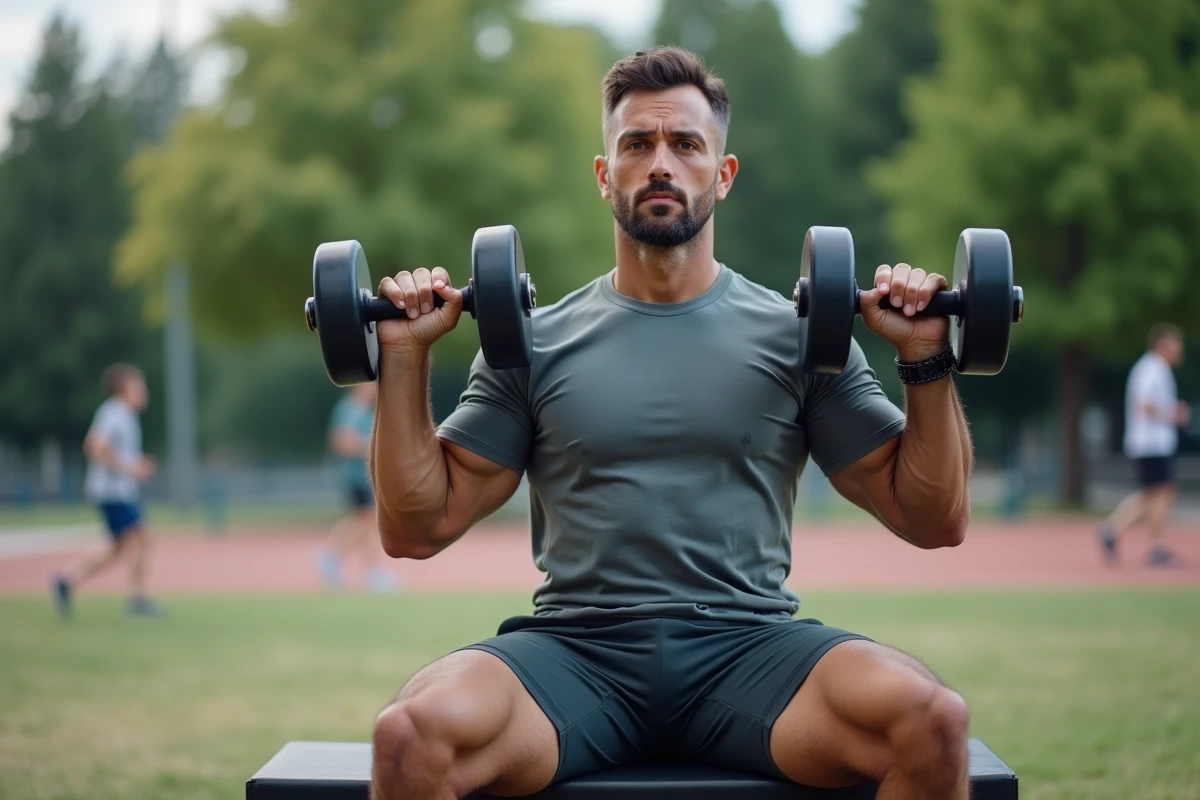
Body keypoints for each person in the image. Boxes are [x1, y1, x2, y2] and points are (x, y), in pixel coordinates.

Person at [368, 48, 974, 799]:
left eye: (686, 144)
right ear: (604, 175)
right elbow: (416, 527)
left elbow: (932, 517)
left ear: (723, 174)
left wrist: (925, 356)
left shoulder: (801, 338)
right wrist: (403, 358)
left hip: (750, 649)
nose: (661, 163)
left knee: (931, 722)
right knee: (411, 736)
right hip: (576, 654)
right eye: (637, 144)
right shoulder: (530, 345)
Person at [52, 363, 165, 618]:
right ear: (123, 388)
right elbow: (95, 446)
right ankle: (137, 600)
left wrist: (136, 464)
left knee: (117, 546)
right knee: (143, 537)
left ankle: (66, 582)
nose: (143, 390)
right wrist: (129, 468)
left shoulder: (124, 415)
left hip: (117, 491)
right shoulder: (115, 413)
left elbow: (113, 451)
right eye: (138, 385)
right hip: (113, 491)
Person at [1097, 323, 1188, 567]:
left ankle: (1112, 529)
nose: (1179, 349)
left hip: (1152, 442)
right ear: (1162, 344)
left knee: (1154, 494)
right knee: (1161, 493)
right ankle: (1154, 546)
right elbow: (1145, 403)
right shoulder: (1152, 368)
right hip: (1151, 442)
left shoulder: (1155, 368)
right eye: (1176, 343)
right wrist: (1173, 413)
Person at [315, 383, 396, 592]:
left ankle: (354, 565)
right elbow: (342, 442)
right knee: (369, 520)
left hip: (365, 477)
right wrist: (372, 447)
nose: (375, 389)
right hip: (354, 477)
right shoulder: (351, 408)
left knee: (367, 524)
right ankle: (338, 558)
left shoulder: (364, 410)